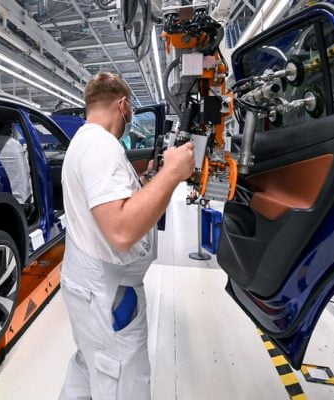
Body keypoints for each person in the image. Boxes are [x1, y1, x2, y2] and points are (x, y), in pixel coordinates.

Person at [59, 72, 195, 400]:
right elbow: (120, 231)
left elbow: (110, 207)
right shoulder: (101, 146)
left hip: (87, 288)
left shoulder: (83, 141)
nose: (131, 114)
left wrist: (145, 184)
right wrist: (171, 173)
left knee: (89, 365)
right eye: (130, 108)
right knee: (120, 380)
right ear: (122, 105)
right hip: (109, 295)